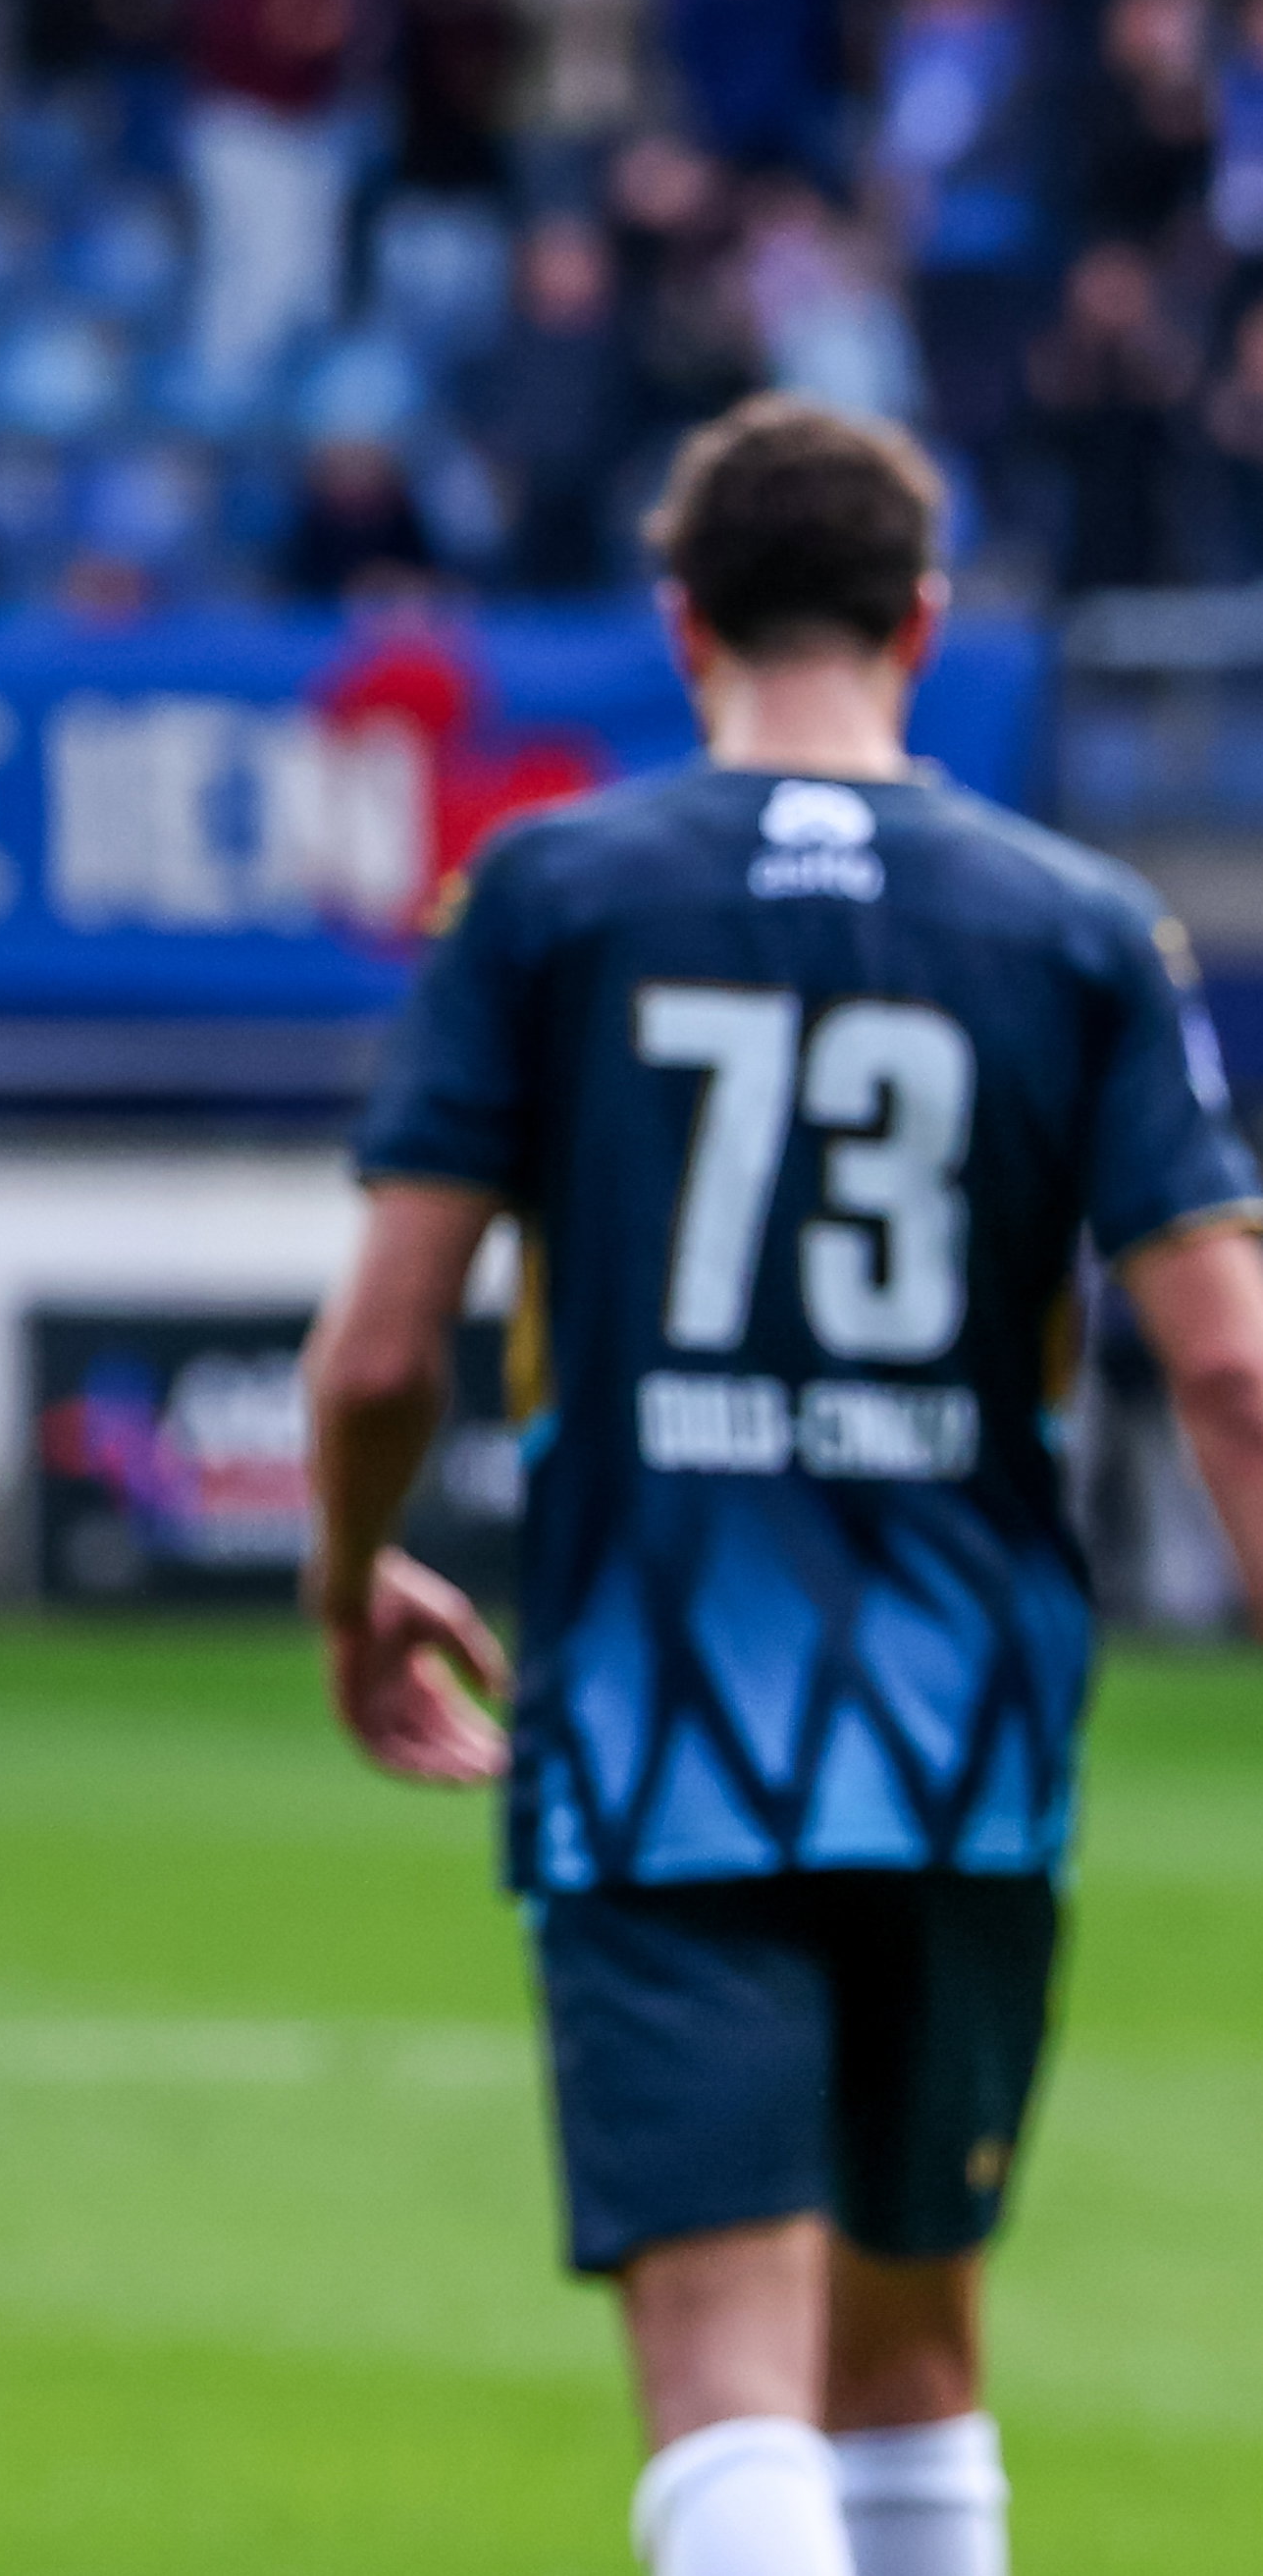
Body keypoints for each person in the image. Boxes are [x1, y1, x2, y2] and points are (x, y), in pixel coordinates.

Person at [305, 396, 1263, 2576]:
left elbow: (375, 1351)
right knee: (916, 2357)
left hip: (664, 1731)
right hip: (971, 1741)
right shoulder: (1081, 925)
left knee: (729, 2368)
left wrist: (353, 1580)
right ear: (923, 620)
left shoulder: (552, 895)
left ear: (683, 622)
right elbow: (1229, 1365)